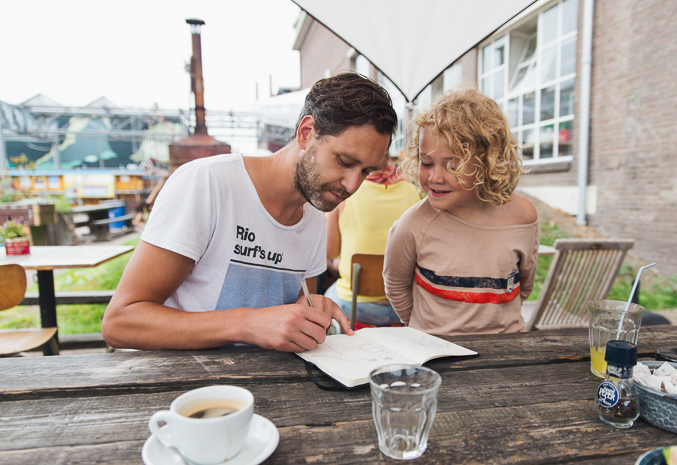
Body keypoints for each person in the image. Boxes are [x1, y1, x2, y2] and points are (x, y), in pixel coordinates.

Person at [102, 72, 398, 352]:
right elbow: (120, 322)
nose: (352, 184)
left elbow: (293, 313)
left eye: (366, 172)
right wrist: (248, 324)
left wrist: (309, 313)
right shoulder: (208, 182)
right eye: (345, 161)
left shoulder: (314, 217)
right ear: (306, 133)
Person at [383, 88, 539, 336]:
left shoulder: (523, 217)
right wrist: (424, 330)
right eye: (426, 162)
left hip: (507, 350)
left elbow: (524, 284)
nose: (435, 177)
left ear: (488, 162)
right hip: (436, 353)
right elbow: (396, 286)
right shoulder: (413, 224)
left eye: (453, 165)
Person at [324, 155, 421, 327]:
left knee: (324, 299)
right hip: (405, 305)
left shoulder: (345, 193)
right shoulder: (414, 191)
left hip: (355, 305)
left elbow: (330, 252)